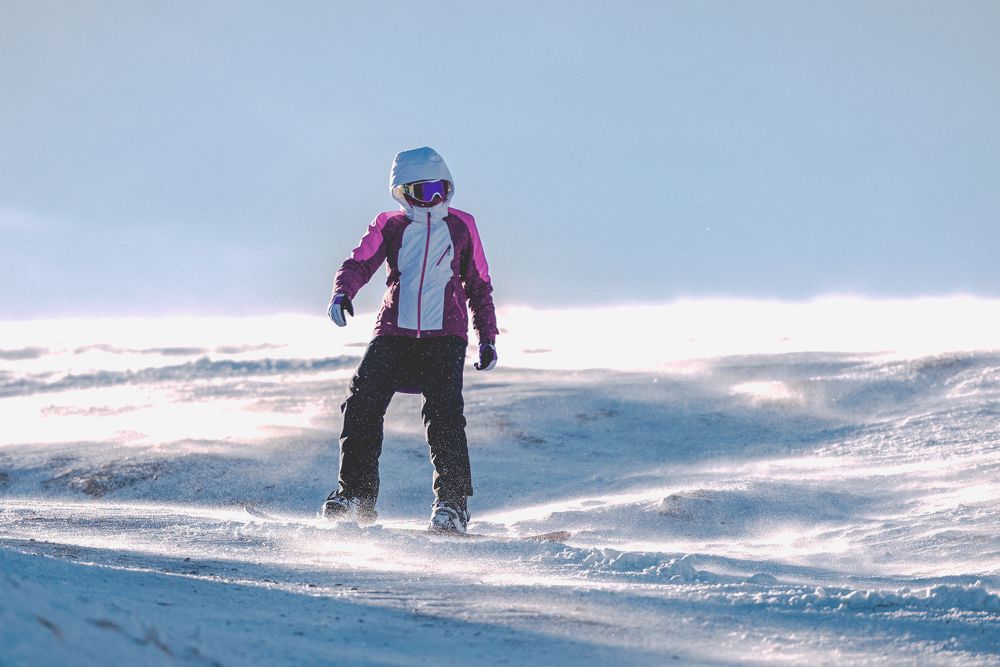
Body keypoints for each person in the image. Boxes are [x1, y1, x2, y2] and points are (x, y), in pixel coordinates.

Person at [323, 146, 499, 533]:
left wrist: (487, 336)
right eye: (422, 190)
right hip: (394, 333)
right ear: (403, 192)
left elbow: (479, 285)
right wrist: (343, 293)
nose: (433, 198)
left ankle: (453, 505)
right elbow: (358, 263)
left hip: (445, 337)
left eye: (440, 188)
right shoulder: (389, 225)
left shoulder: (462, 225)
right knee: (362, 402)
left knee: (445, 417)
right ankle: (356, 496)